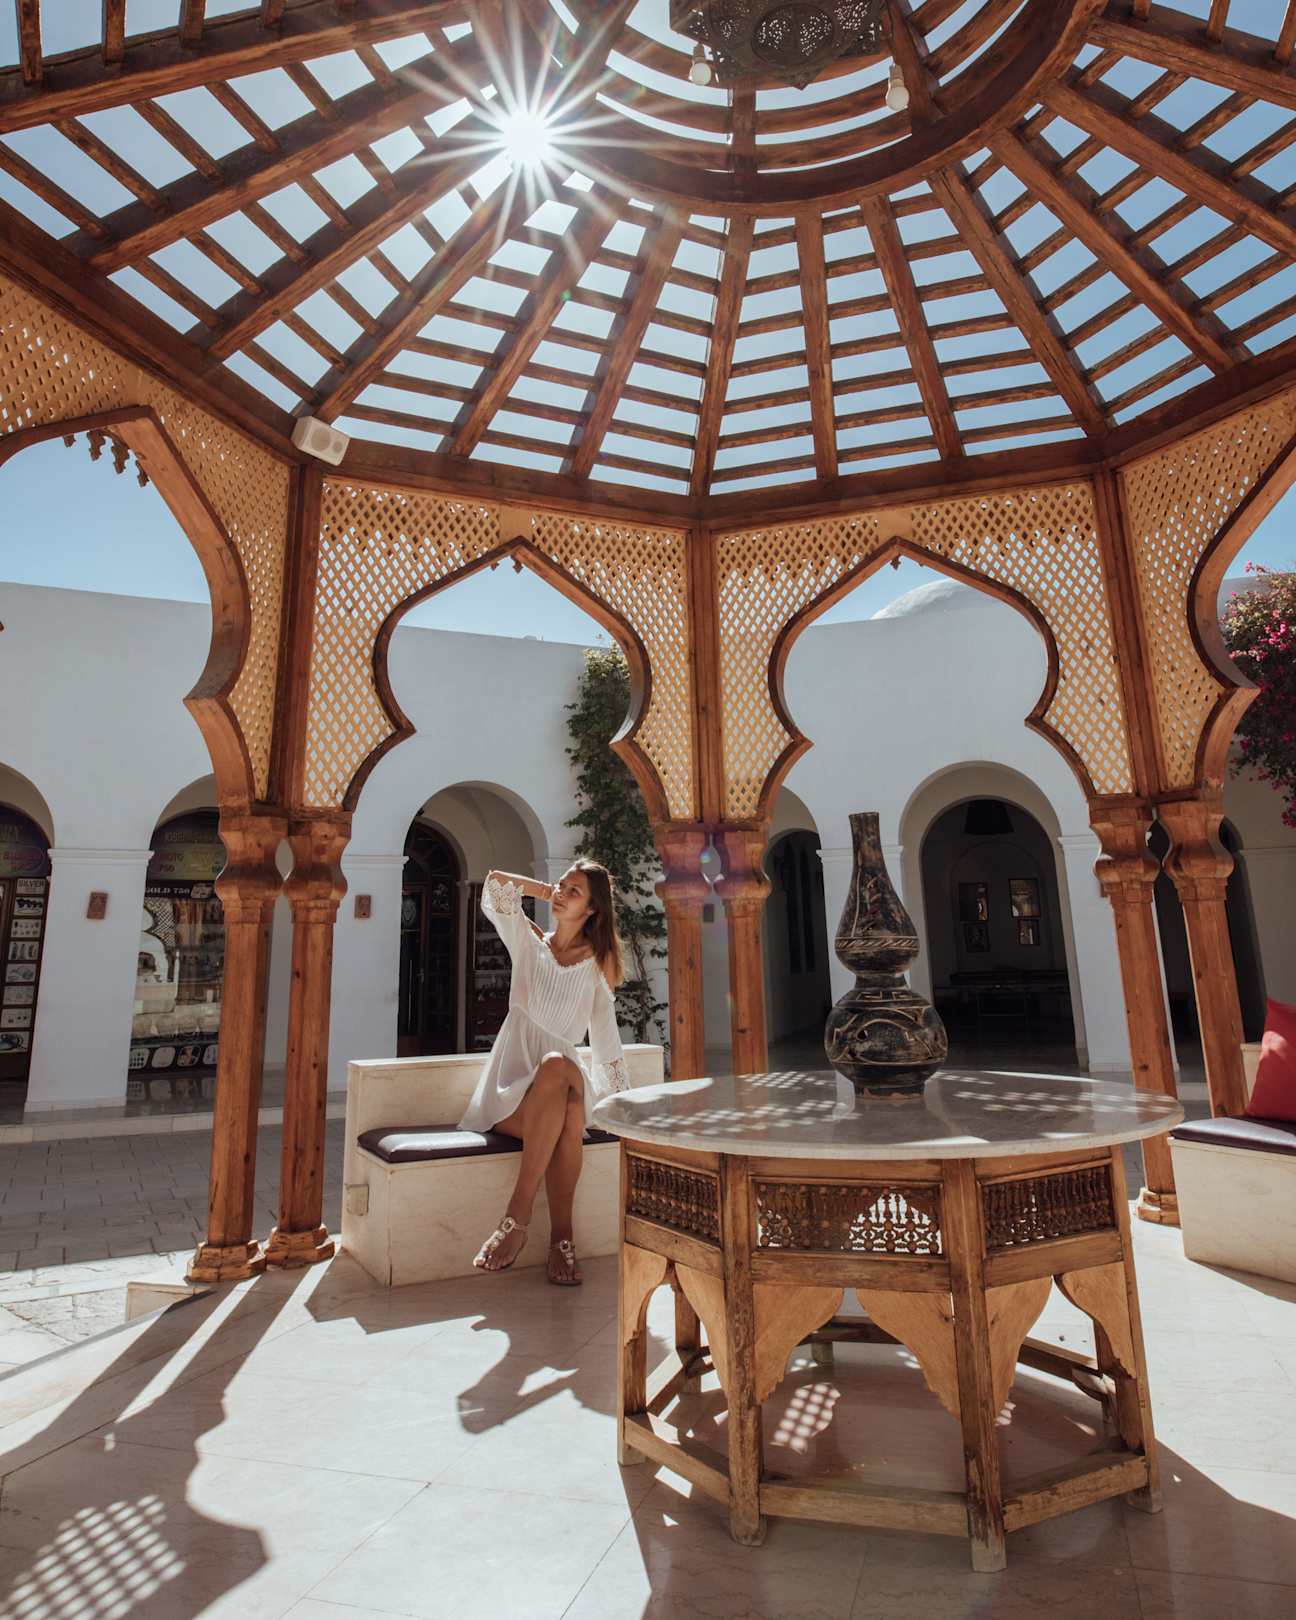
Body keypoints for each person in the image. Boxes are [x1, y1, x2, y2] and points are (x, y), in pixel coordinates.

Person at [461, 861, 629, 1285]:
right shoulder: (527, 942)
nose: (561, 895)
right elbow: (496, 884)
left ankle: (521, 1221)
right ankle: (557, 1235)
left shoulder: (596, 965)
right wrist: (543, 889)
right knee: (568, 1112)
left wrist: (618, 1102)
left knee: (558, 1069)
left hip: (563, 1076)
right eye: (561, 886)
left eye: (574, 892)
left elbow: (605, 1037)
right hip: (509, 1092)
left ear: (592, 909)